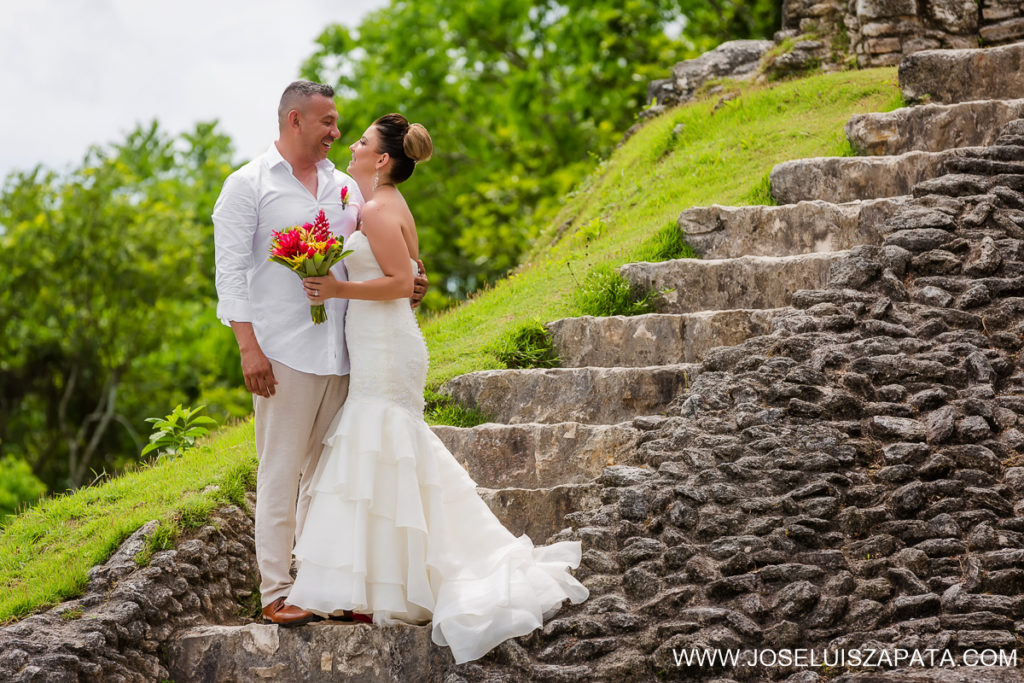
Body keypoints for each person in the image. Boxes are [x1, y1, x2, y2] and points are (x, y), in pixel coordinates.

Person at [288, 114, 589, 664]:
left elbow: (403, 282)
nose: (352, 146)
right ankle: (381, 585)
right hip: (383, 338)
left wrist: (334, 285)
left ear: (381, 160)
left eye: (361, 142)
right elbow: (410, 273)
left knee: (378, 440)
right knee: (384, 448)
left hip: (385, 345)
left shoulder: (379, 209)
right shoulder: (379, 206)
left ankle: (387, 585)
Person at [212, 82, 428, 627]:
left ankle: (320, 587)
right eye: (328, 122)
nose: (336, 132)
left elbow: (380, 251)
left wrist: (413, 278)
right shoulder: (246, 186)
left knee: (329, 477)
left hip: (348, 352)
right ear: (294, 120)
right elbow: (230, 276)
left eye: (340, 126)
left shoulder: (346, 188)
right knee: (280, 473)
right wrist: (248, 348)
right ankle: (275, 590)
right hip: (283, 349)